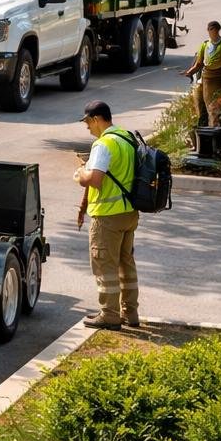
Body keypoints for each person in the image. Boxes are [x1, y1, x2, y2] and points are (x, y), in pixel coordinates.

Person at [74, 100, 140, 329]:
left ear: (96, 119)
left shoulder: (103, 144)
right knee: (126, 263)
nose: (88, 129)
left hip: (108, 216)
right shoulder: (126, 138)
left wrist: (80, 173)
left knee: (105, 266)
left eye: (88, 124)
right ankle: (130, 313)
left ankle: (109, 315)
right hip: (129, 213)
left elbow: (95, 180)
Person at [183, 20, 221, 125]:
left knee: (216, 106)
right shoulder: (205, 45)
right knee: (202, 102)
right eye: (211, 30)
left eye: (215, 30)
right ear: (208, 31)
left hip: (219, 79)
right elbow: (199, 63)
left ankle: (215, 126)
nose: (213, 32)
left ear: (218, 30)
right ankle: (204, 124)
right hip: (206, 79)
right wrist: (189, 72)